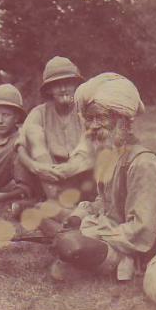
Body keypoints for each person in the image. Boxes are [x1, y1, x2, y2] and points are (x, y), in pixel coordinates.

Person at [42, 72, 156, 281]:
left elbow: (141, 230)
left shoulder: (143, 163)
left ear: (122, 120)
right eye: (89, 119)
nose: (94, 126)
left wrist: (89, 232)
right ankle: (73, 252)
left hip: (144, 249)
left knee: (69, 245)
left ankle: (94, 258)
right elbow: (106, 203)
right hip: (113, 233)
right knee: (45, 218)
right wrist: (78, 217)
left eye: (101, 117)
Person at [16, 56, 95, 203]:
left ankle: (56, 206)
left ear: (76, 85)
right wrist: (36, 167)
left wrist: (72, 168)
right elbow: (21, 146)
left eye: (68, 83)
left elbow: (95, 149)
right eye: (57, 85)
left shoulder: (87, 112)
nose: (63, 88)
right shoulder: (39, 112)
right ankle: (55, 200)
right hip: (47, 175)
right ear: (49, 90)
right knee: (32, 134)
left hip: (81, 173)